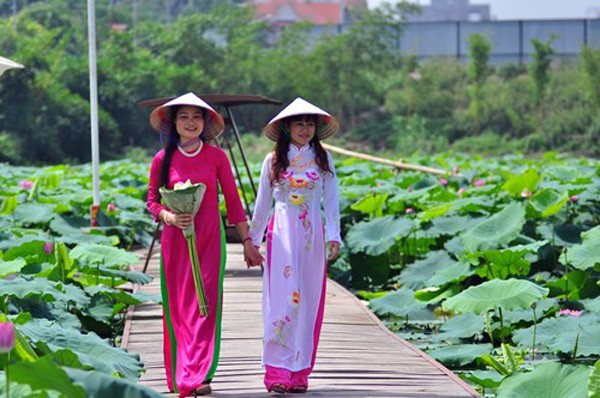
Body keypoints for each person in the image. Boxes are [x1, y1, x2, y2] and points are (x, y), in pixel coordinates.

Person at [146, 92, 262, 397]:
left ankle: (199, 373)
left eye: (196, 117)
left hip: (211, 239)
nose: (190, 122)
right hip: (176, 243)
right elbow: (152, 202)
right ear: (174, 123)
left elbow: (234, 203)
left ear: (205, 122)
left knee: (205, 305)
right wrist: (171, 217)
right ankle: (184, 371)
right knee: (181, 309)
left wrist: (247, 241)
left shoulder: (216, 157)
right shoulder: (162, 159)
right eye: (184, 117)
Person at [246, 97, 341, 394]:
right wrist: (253, 239)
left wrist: (334, 235)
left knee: (309, 300)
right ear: (286, 127)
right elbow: (262, 203)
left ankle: (299, 371)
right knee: (283, 299)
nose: (305, 128)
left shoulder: (323, 160)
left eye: (310, 123)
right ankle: (277, 371)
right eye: (299, 123)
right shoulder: (273, 161)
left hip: (311, 240)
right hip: (282, 238)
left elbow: (332, 201)